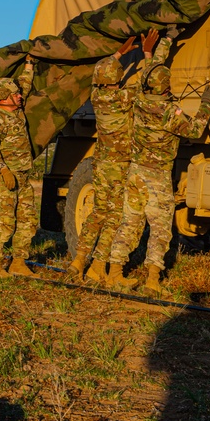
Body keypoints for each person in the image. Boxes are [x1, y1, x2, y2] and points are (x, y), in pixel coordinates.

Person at [67, 27, 175, 283]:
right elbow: (150, 79)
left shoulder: (97, 94)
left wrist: (119, 53)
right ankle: (98, 268)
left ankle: (79, 260)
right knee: (116, 216)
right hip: (120, 164)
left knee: (98, 212)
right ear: (117, 80)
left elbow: (101, 72)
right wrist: (151, 51)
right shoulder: (125, 97)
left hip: (103, 162)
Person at [106, 64, 210, 293]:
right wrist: (206, 104)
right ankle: (152, 281)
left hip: (135, 173)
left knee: (129, 223)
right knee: (160, 229)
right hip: (156, 176)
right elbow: (195, 130)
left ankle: (114, 274)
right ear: (166, 86)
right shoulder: (168, 112)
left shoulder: (138, 103)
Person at [0, 55, 38, 278]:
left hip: (23, 176)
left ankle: (18, 262)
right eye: (14, 93)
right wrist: (3, 170)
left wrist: (29, 65)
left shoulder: (17, 110)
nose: (19, 95)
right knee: (5, 221)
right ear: (4, 97)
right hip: (5, 178)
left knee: (28, 220)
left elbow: (24, 84)